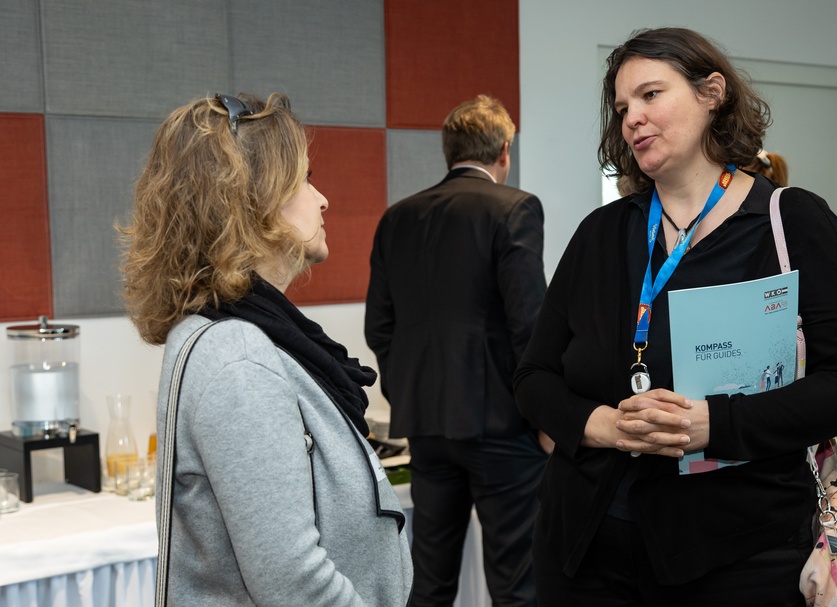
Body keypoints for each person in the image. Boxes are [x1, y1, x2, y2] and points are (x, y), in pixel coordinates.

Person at [513, 27, 837, 606]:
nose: (632, 117)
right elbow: (533, 379)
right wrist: (604, 425)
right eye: (622, 107)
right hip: (585, 546)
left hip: (738, 554)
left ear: (712, 93)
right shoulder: (603, 234)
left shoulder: (791, 223)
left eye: (651, 94)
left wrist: (715, 424)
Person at [120, 92, 412, 606]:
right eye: (302, 178)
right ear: (252, 201)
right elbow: (292, 581)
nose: (322, 198)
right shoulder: (237, 357)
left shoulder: (243, 337)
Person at [365, 94, 549, 606]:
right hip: (502, 427)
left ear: (449, 152)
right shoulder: (515, 208)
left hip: (425, 426)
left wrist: (411, 394)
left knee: (429, 580)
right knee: (517, 584)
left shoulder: (396, 218)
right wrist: (543, 416)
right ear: (504, 152)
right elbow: (529, 325)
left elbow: (379, 327)